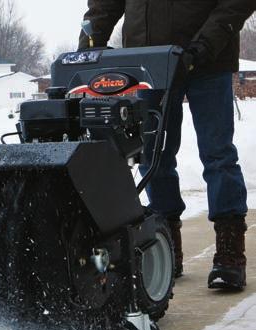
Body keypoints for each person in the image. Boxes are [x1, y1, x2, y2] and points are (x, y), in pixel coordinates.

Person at [79, 0, 255, 290]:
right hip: (149, 61)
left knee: (218, 154)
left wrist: (204, 45)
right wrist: (90, 43)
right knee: (152, 156)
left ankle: (229, 252)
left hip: (208, 57)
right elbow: (105, 4)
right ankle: (166, 246)